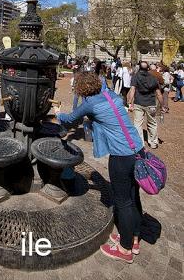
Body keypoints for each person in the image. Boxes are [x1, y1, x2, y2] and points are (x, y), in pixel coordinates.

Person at [55, 72, 144, 264]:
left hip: (121, 156)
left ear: (81, 89)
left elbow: (70, 119)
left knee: (123, 201)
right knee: (133, 195)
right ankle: (134, 238)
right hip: (137, 149)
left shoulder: (90, 104)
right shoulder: (112, 96)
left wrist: (57, 114)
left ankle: (125, 249)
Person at [127, 61, 166, 149]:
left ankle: (139, 143)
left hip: (138, 103)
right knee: (152, 123)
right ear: (148, 68)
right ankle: (153, 142)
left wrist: (130, 102)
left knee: (137, 123)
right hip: (151, 103)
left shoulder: (135, 77)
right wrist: (162, 105)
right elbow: (158, 93)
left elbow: (132, 90)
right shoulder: (153, 78)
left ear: (139, 68)